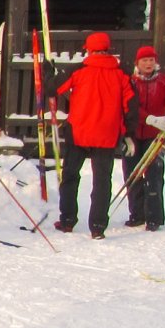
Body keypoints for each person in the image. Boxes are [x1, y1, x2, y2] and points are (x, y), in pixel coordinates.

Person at [53, 31, 134, 239]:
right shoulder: (122, 73)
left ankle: (68, 220)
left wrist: (47, 74)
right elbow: (131, 106)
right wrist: (127, 133)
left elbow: (53, 89)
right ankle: (97, 227)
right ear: (108, 49)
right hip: (107, 133)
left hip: (78, 131)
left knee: (70, 175)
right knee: (102, 180)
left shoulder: (79, 70)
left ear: (88, 49)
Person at [123, 45, 165, 231]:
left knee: (154, 175)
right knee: (132, 175)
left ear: (155, 62)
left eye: (151, 60)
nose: (148, 63)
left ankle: (154, 218)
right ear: (137, 63)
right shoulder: (131, 81)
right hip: (132, 135)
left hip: (154, 136)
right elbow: (129, 107)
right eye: (144, 60)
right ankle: (137, 215)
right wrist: (148, 118)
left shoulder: (164, 81)